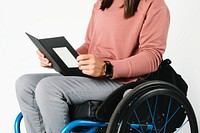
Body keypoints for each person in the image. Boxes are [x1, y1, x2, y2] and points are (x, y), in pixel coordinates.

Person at [15, 0, 170, 132]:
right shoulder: (102, 3)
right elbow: (90, 45)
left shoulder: (154, 5)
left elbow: (152, 56)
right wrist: (58, 59)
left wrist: (107, 68)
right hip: (90, 76)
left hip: (121, 83)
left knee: (48, 88)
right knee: (25, 84)